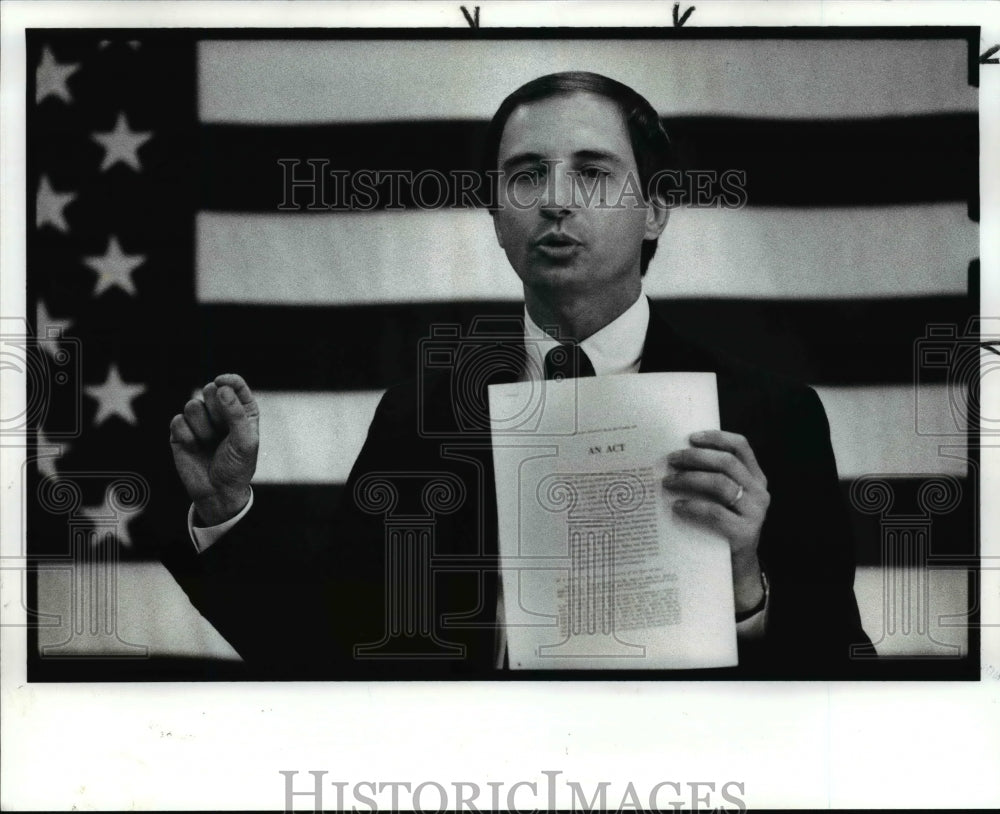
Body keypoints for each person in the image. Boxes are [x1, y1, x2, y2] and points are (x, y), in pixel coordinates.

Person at [166, 71, 873, 678]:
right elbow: (327, 656)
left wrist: (747, 589)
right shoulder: (417, 419)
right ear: (497, 217)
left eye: (593, 173)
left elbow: (844, 673)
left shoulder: (773, 415)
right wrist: (226, 511)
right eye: (526, 174)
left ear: (656, 211)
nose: (554, 200)